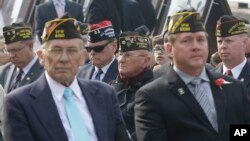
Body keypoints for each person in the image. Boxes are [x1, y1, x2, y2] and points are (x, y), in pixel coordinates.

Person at [2, 14, 130, 141]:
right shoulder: (19, 104)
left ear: (82, 57)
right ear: (41, 57)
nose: (64, 58)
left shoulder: (104, 94)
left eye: (72, 51)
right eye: (56, 50)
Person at [134, 9, 250, 141]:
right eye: (186, 41)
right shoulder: (152, 96)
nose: (196, 47)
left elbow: (242, 133)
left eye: (201, 40)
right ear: (169, 49)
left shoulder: (233, 88)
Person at [110, 31, 153, 140]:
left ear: (146, 60)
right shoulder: (110, 87)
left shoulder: (155, 92)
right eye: (119, 54)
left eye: (128, 55)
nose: (121, 60)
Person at [0, 22, 44, 93]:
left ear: (30, 46)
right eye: (8, 51)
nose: (11, 55)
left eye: (15, 50)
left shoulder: (46, 72)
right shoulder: (4, 71)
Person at [213, 15, 250, 95]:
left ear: (244, 43)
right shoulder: (209, 77)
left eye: (229, 41)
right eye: (219, 41)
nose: (223, 46)